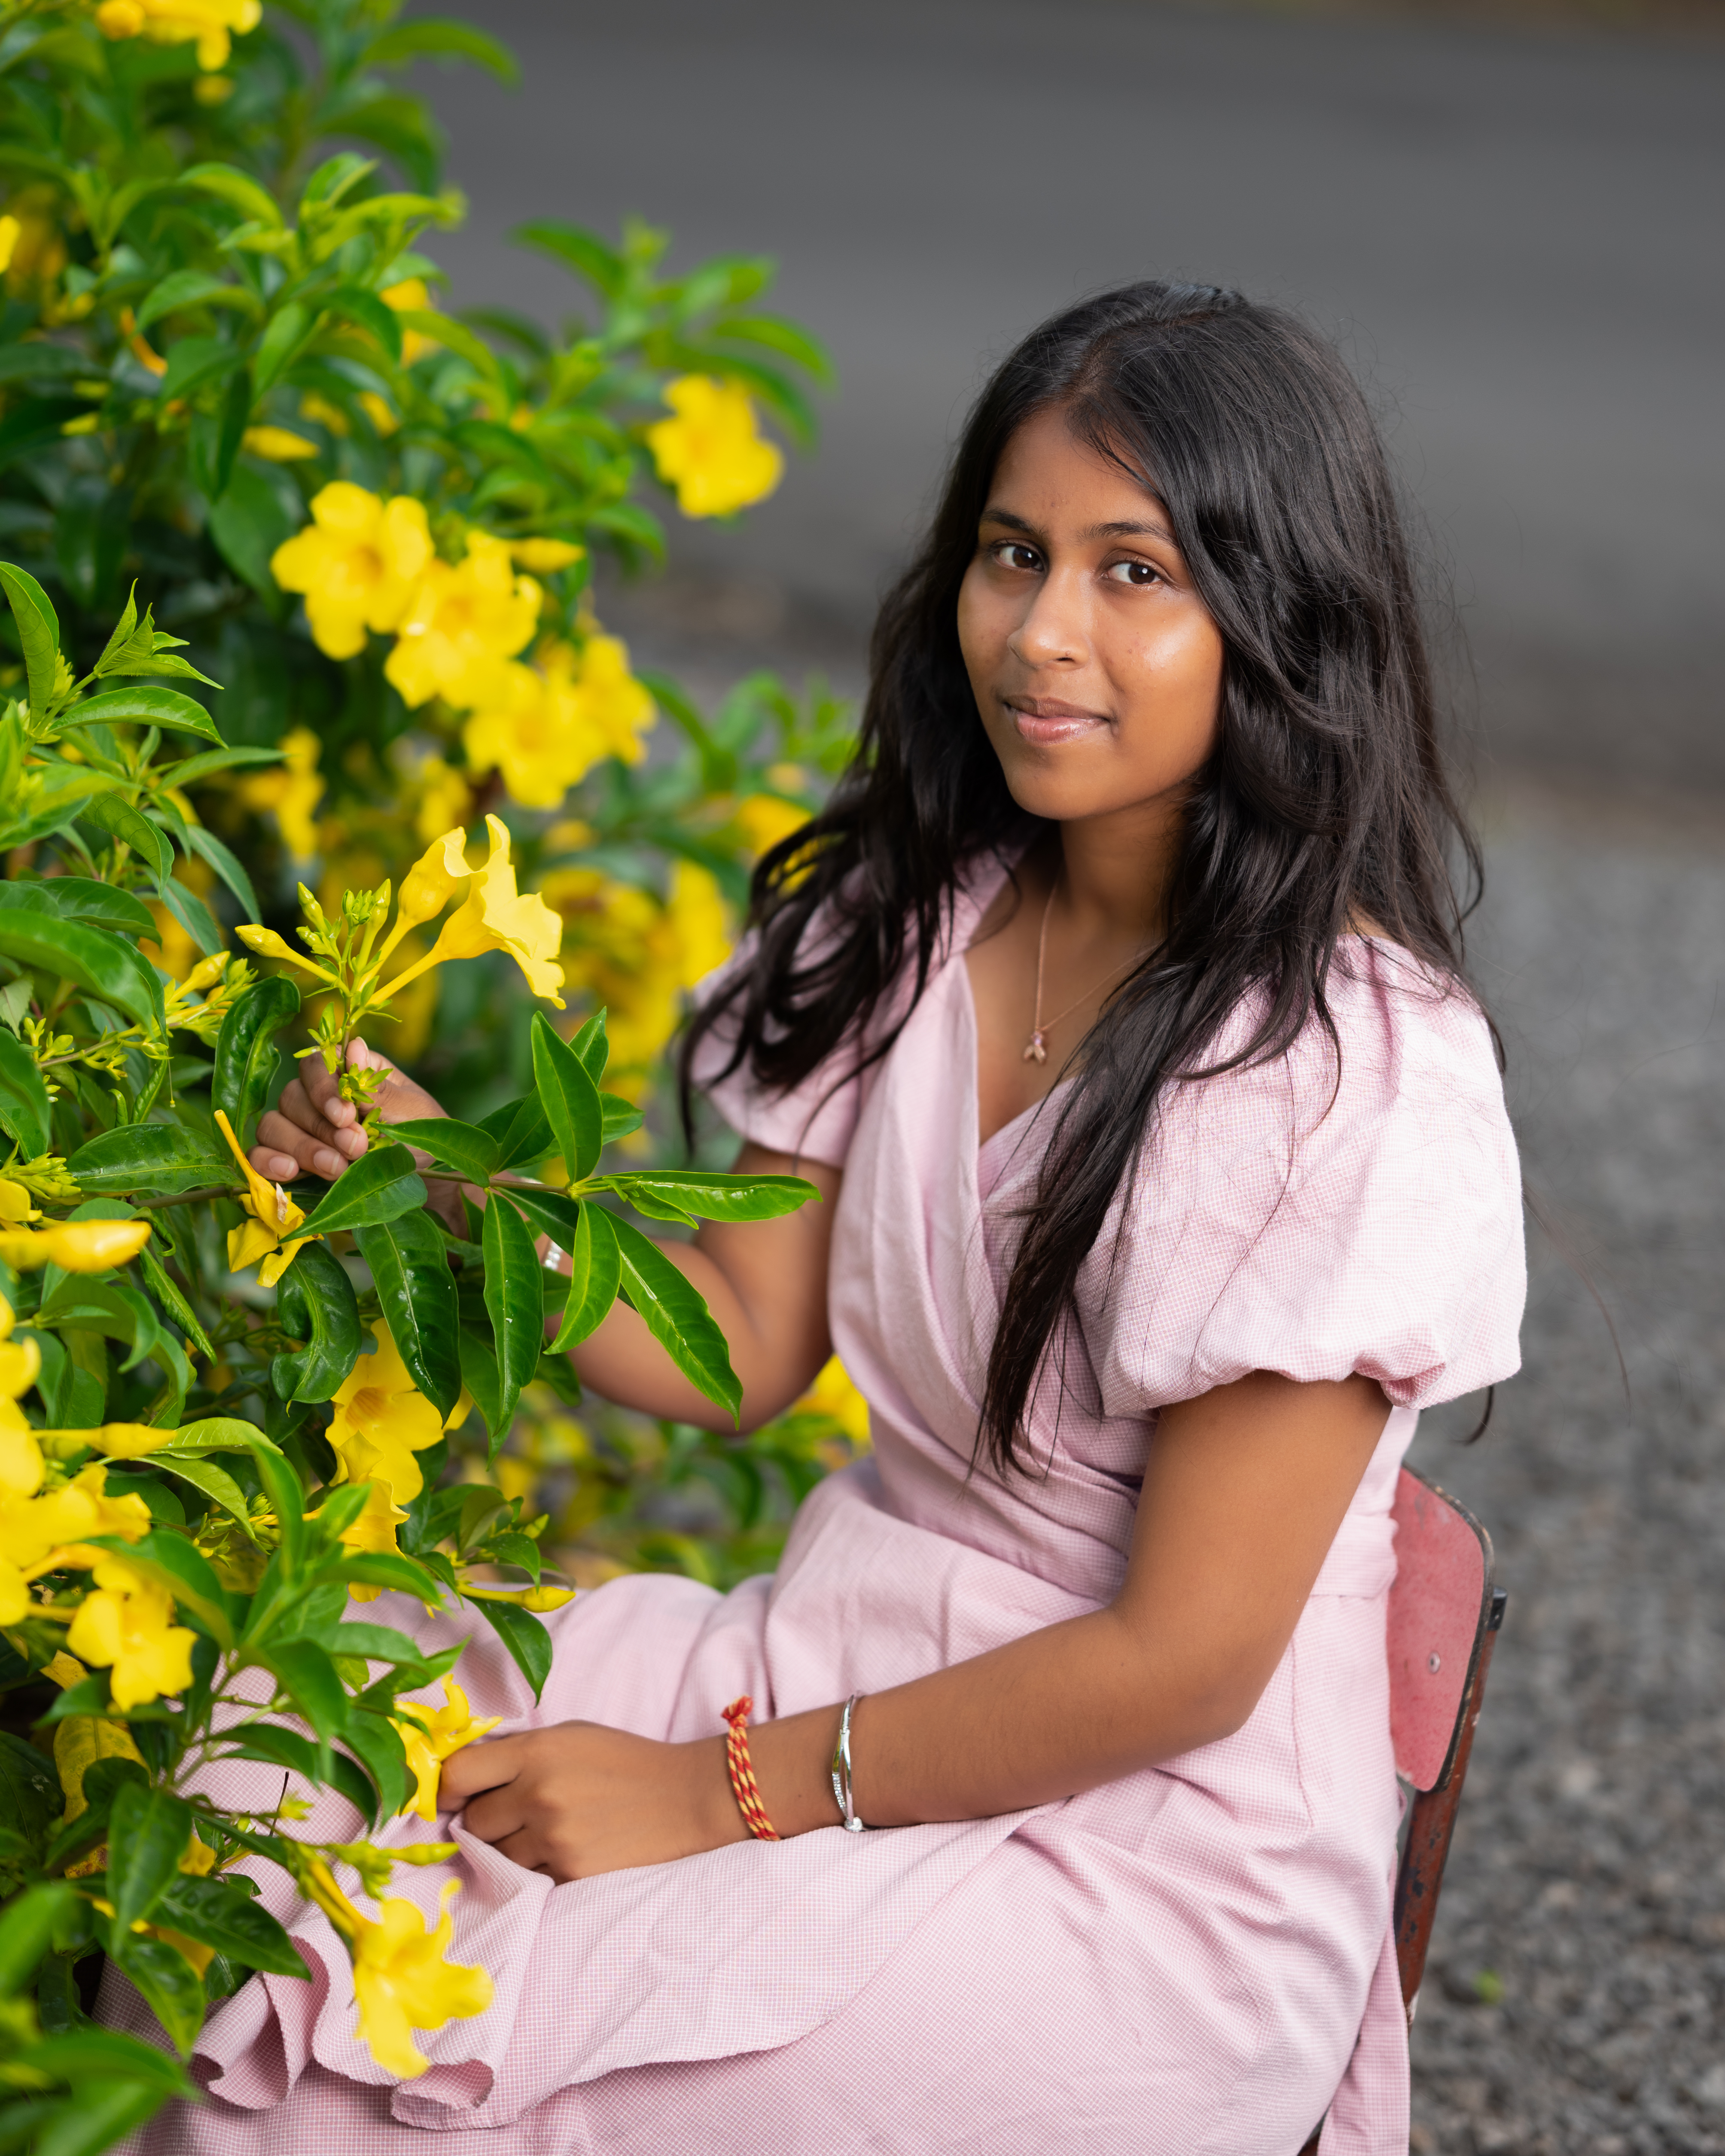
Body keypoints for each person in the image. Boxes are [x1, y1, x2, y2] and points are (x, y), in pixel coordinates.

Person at [120, 282, 1524, 2155]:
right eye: (1013, 553)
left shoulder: (1337, 1065)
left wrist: (715, 1796)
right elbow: (734, 1342)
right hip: (838, 1653)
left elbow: (1182, 1660)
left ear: (1280, 625)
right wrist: (448, 1173)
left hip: (1143, 1856)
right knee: (260, 1772)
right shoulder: (913, 914)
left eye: (1134, 573)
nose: (1040, 631)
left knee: (448, 2090)